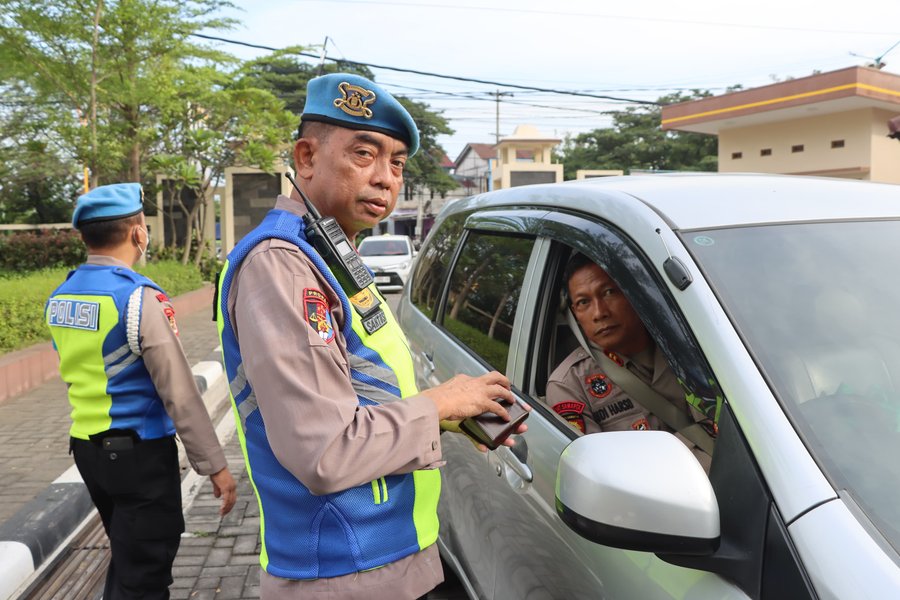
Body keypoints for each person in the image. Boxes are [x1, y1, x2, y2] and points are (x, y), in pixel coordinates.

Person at [215, 72, 525, 600]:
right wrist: (440, 401)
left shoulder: (331, 252)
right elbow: (326, 450)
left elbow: (362, 394)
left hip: (389, 560)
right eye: (364, 154)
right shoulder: (282, 266)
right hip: (345, 571)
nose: (386, 178)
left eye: (397, 163)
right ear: (306, 158)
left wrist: (452, 416)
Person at [45, 183, 237, 600]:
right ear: (138, 232)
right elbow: (179, 392)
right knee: (145, 577)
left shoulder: (62, 295)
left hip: (87, 451)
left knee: (128, 558)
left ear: (85, 236)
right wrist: (215, 465)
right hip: (140, 458)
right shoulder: (136, 298)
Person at [546, 253, 716, 465]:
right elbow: (597, 473)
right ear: (575, 313)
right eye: (583, 302)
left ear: (634, 293)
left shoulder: (688, 351)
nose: (599, 313)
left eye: (609, 292)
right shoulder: (569, 384)